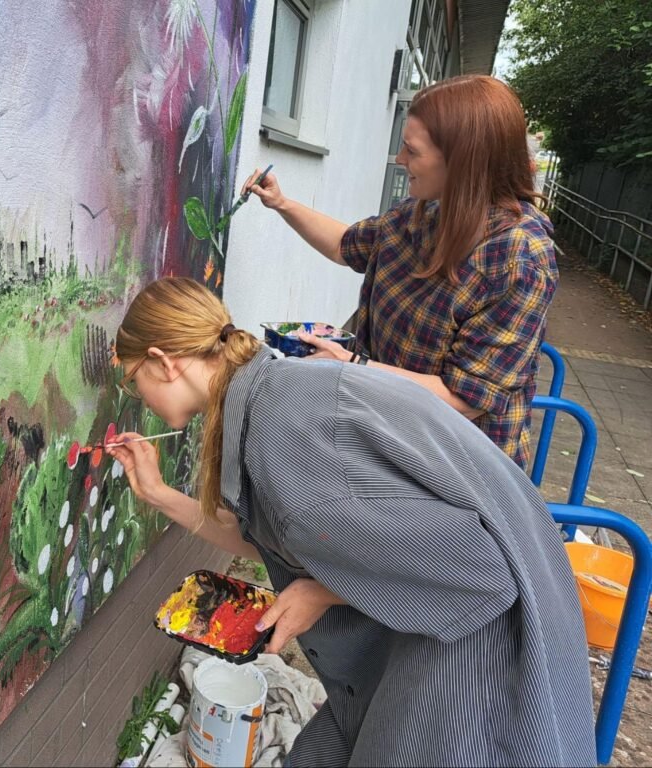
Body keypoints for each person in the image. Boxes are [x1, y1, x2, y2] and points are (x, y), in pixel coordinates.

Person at [107, 276, 595, 767]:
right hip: (442, 625)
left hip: (479, 657)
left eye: (133, 380)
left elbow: (480, 568)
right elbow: (297, 542)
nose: (136, 396)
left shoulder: (282, 437)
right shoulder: (275, 390)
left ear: (164, 361)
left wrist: (321, 591)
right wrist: (160, 495)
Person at [242, 75, 557, 469]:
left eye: (412, 150)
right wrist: (282, 204)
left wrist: (349, 367)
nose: (401, 160)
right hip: (388, 434)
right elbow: (347, 246)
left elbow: (465, 400)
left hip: (456, 468)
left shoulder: (519, 259)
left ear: (463, 161)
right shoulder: (422, 213)